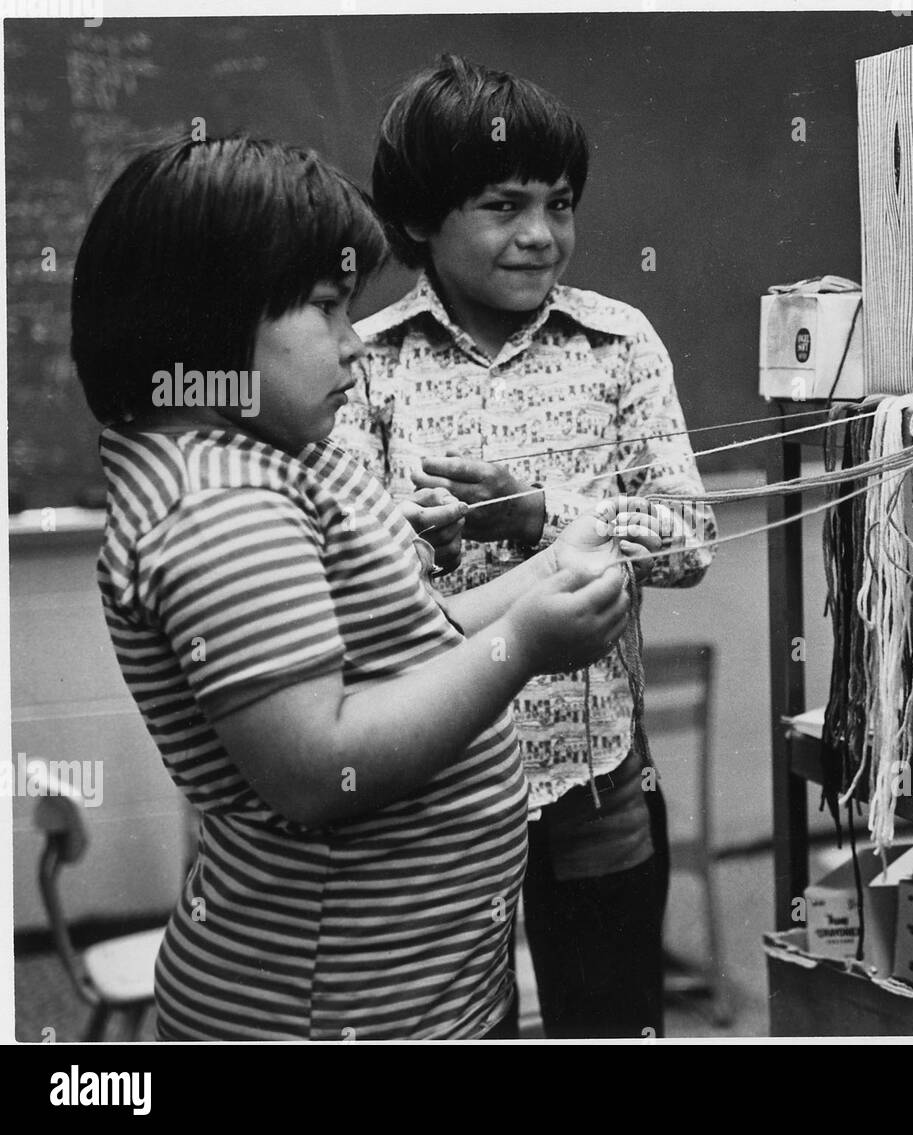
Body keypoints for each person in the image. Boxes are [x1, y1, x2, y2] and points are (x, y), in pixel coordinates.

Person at [72, 134, 669, 1040]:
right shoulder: (220, 506)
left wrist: (545, 567)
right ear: (204, 321)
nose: (354, 345)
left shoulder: (274, 459)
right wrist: (528, 645)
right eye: (324, 310)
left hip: (413, 985)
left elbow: (411, 643)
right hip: (331, 1006)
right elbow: (319, 765)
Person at [333, 55, 716, 1038]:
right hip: (436, 773)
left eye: (559, 203)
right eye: (504, 206)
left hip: (595, 770)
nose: (541, 235)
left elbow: (688, 542)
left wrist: (541, 513)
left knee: (609, 1015)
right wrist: (416, 541)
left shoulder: (615, 342)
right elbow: (347, 588)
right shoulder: (363, 364)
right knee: (455, 1024)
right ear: (419, 218)